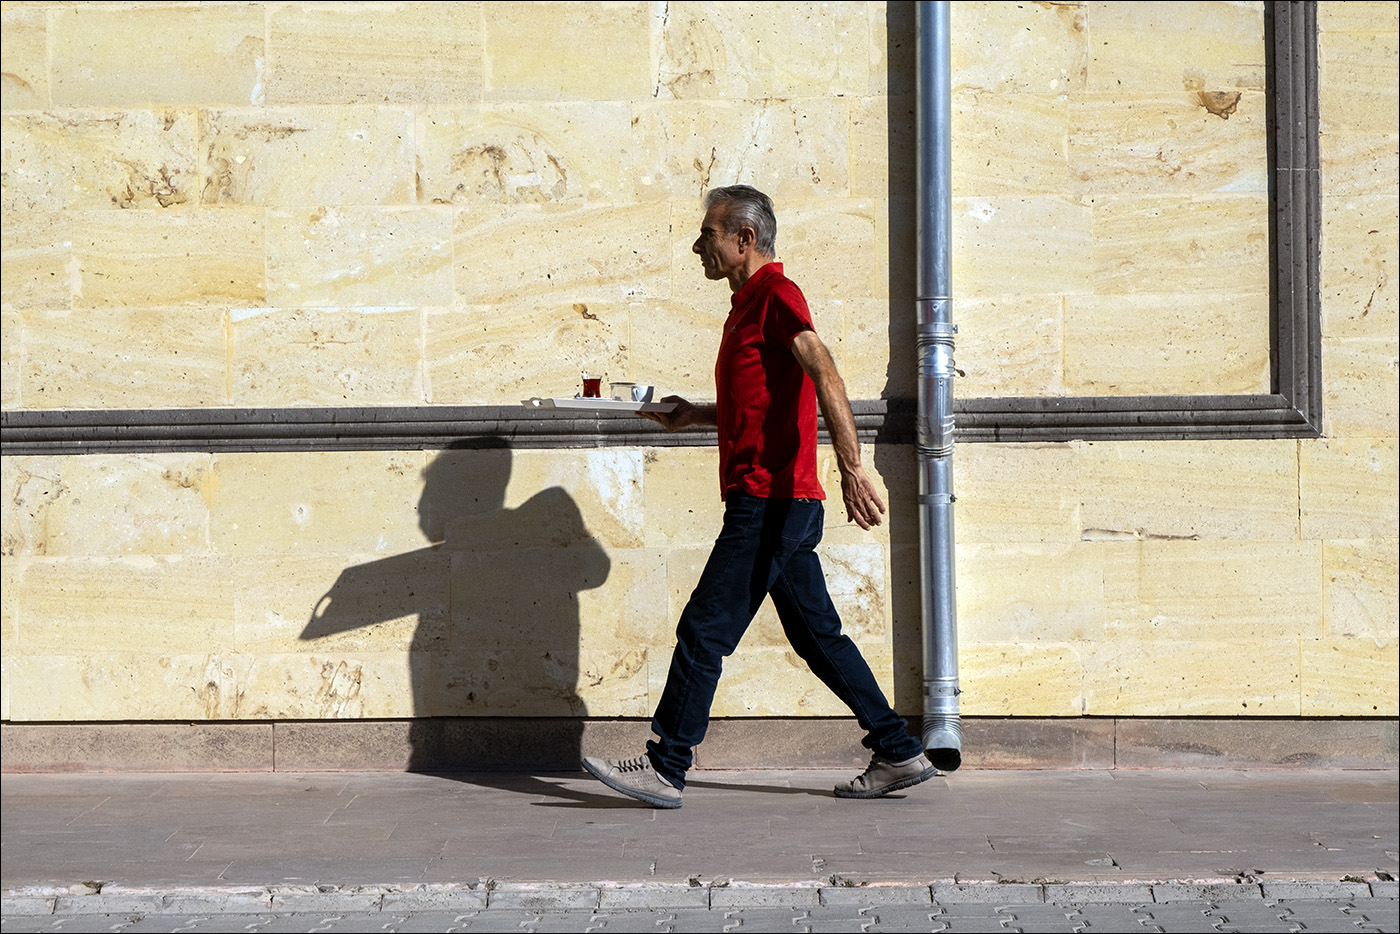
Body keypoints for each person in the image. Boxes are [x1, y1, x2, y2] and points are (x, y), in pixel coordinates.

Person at [581, 185, 935, 808]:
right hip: (781, 503)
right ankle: (898, 750)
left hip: (770, 501)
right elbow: (758, 405)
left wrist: (853, 467)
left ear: (744, 239)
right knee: (818, 636)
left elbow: (823, 369)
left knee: (703, 629)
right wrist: (694, 416)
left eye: (708, 234)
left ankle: (666, 766)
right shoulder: (746, 307)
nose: (698, 246)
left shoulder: (776, 294)